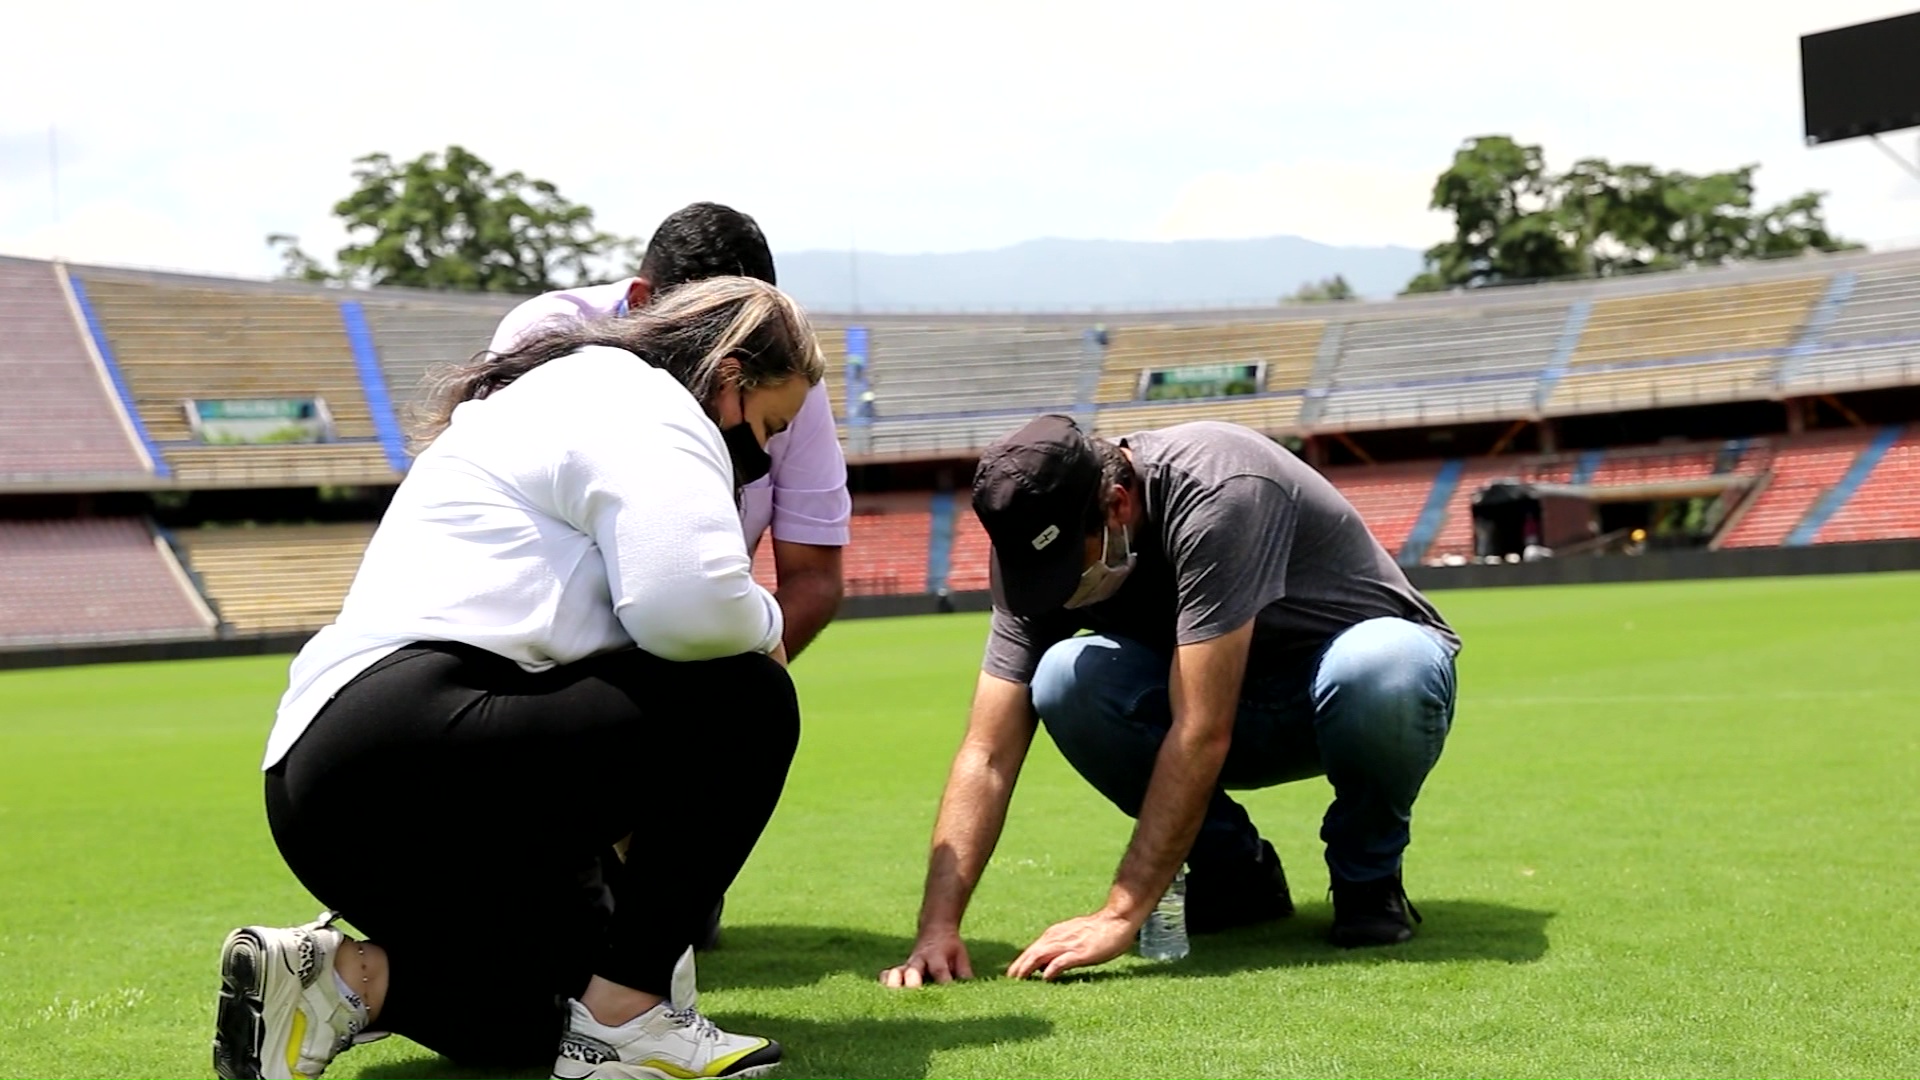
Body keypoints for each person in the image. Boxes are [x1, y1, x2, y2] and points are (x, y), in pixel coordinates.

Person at [215, 278, 820, 1080]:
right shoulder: (645, 401)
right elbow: (690, 607)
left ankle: (345, 981)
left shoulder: (561, 392)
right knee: (749, 698)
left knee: (556, 1014)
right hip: (418, 736)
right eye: (772, 424)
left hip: (327, 782)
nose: (767, 451)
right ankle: (630, 1020)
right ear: (731, 375)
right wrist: (770, 627)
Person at [881, 415, 1461, 988]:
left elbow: (1201, 728)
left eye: (1067, 569)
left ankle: (1368, 877)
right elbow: (987, 752)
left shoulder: (1219, 490)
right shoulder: (1033, 548)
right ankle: (1236, 878)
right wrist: (937, 928)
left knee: (1385, 666)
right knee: (1063, 677)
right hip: (1215, 717)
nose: (1058, 590)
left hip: (1340, 698)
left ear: (1117, 505)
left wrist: (1120, 913)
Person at [490, 201, 848, 661]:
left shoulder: (784, 377)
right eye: (702, 342)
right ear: (642, 303)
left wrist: (749, 683)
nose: (722, 376)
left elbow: (813, 574)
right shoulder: (546, 335)